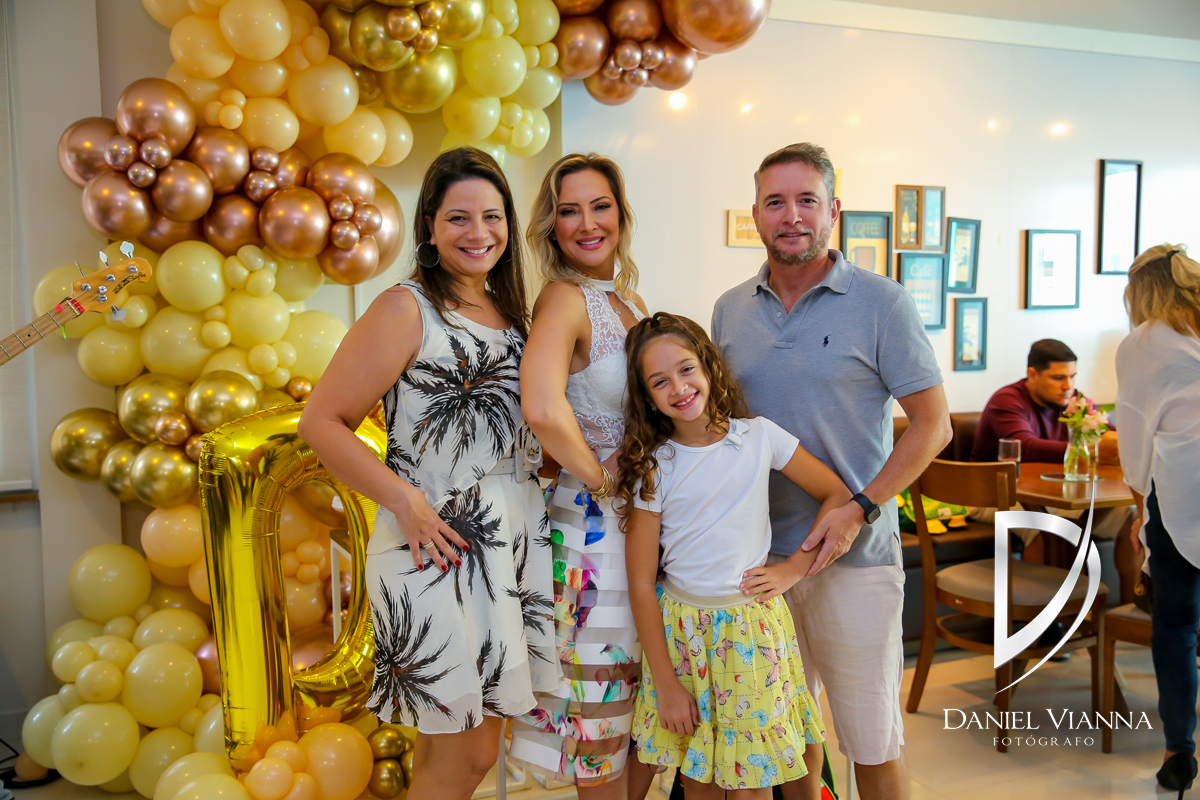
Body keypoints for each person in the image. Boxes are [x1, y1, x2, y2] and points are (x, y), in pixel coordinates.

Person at [298, 148, 556, 800]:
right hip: (435, 543)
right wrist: (405, 501)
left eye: (492, 216)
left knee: (463, 749)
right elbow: (322, 422)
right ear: (431, 228)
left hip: (507, 542)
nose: (479, 233)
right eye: (458, 218)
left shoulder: (511, 314)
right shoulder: (406, 308)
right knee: (463, 756)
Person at [711, 142, 952, 800]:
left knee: (870, 743)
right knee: (788, 740)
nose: (791, 215)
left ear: (834, 210)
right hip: (760, 562)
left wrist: (859, 508)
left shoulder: (882, 303)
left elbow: (934, 425)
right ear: (755, 215)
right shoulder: (730, 309)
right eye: (775, 202)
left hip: (855, 559)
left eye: (807, 200)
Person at [617, 313, 840, 799]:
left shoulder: (759, 436)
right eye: (660, 381)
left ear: (709, 367)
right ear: (647, 397)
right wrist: (667, 685)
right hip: (684, 636)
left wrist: (793, 568)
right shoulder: (654, 466)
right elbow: (640, 583)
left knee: (756, 776)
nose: (679, 387)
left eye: (686, 369)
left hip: (752, 630)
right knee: (699, 773)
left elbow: (837, 496)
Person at [508, 153, 656, 799]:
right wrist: (601, 483)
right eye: (570, 211)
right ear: (552, 226)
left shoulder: (628, 300)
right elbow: (541, 407)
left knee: (640, 713)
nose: (587, 223)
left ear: (621, 215)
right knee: (597, 716)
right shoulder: (565, 298)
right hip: (594, 529)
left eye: (600, 206)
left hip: (639, 523)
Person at [1115, 244, 1200, 798]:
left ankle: (1179, 751)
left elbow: (1134, 432)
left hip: (1181, 493)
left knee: (1176, 625)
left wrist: (1140, 508)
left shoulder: (1142, 344)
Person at [970, 338, 1118, 464]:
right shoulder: (1006, 400)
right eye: (1058, 378)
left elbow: (1111, 437)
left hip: (1053, 484)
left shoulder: (1075, 399)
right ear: (1032, 375)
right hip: (995, 485)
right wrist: (1088, 450)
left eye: (1072, 376)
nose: (1068, 386)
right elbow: (1024, 447)